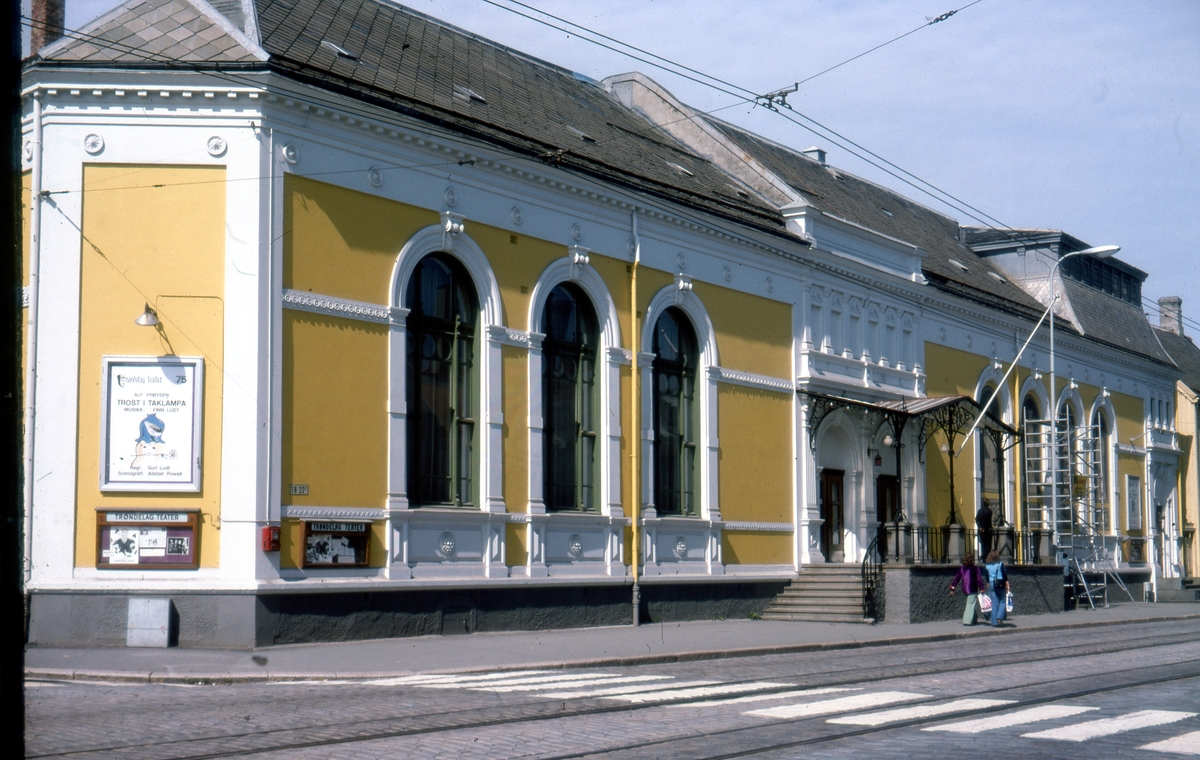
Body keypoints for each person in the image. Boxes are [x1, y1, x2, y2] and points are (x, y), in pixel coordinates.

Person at [948, 553, 985, 626]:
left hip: (964, 588)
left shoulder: (962, 568)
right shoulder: (975, 568)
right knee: (970, 605)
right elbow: (979, 579)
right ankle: (967, 620)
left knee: (970, 603)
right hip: (972, 588)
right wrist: (981, 588)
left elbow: (957, 578)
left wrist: (952, 588)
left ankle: (974, 618)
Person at [983, 549, 1008, 627]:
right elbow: (1004, 574)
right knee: (1003, 600)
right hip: (999, 583)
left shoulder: (987, 565)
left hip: (991, 583)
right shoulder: (1000, 564)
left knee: (994, 603)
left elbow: (986, 575)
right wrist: (1007, 583)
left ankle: (994, 622)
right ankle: (999, 617)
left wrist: (987, 582)